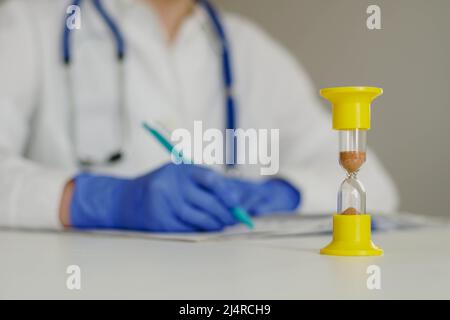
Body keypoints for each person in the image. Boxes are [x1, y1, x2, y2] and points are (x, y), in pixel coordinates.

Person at [0, 0, 398, 232]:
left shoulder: (247, 47)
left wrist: (281, 193)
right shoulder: (29, 20)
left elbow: (376, 185)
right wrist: (98, 200)